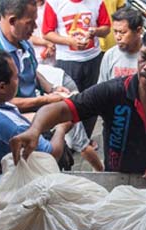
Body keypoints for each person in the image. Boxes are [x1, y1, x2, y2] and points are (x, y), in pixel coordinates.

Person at [10, 24, 146, 189]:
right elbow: (61, 109)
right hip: (115, 180)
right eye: (144, 57)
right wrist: (35, 130)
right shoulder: (113, 92)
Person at [0, 48, 72, 171]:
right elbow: (52, 155)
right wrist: (62, 127)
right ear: (2, 87)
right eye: (16, 77)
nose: (19, 80)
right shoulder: (16, 128)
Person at [0, 0, 69, 113]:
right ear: (13, 21)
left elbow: (32, 71)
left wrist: (52, 89)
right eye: (30, 22)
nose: (35, 27)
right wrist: (44, 100)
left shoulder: (25, 42)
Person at [42, 0, 111, 138]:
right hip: (68, 61)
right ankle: (71, 140)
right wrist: (70, 41)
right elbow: (47, 32)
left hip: (93, 58)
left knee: (92, 101)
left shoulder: (97, 2)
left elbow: (106, 28)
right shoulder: (54, 3)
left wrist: (95, 31)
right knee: (69, 101)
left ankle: (86, 139)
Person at [98, 7, 143, 83]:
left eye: (122, 32)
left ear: (138, 31)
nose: (118, 37)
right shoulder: (110, 55)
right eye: (115, 32)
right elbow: (101, 88)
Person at [30, 0, 55, 64]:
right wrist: (47, 43)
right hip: (36, 56)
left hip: (55, 56)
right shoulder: (26, 8)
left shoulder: (52, 5)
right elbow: (26, 36)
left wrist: (52, 45)